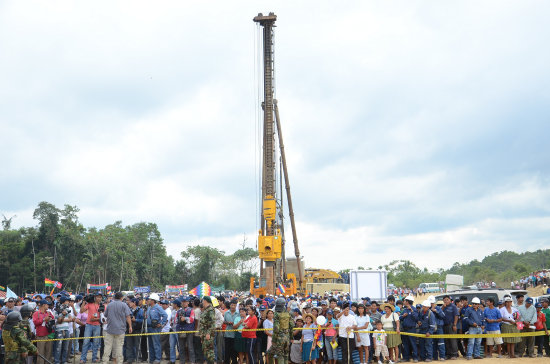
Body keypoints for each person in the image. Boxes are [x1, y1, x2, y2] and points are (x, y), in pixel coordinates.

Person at [102, 292, 132, 364]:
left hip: (110, 329)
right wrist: (130, 326)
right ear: (121, 297)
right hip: (120, 330)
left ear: (114, 297)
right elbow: (128, 316)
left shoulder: (109, 305)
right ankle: (119, 362)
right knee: (119, 348)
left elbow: (105, 315)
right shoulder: (124, 305)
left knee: (107, 347)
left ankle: (105, 362)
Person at [268, 297, 294, 364]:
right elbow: (291, 326)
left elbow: (276, 328)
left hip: (279, 338)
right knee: (285, 355)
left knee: (273, 354)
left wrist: (274, 340)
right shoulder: (288, 314)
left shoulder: (276, 314)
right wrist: (291, 337)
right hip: (287, 337)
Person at [79, 293, 103, 363]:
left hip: (97, 325)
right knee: (86, 342)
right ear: (95, 297)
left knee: (96, 342)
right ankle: (83, 359)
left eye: (100, 297)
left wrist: (97, 319)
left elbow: (103, 317)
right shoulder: (89, 304)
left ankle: (94, 358)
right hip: (89, 325)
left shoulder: (101, 305)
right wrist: (84, 301)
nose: (99, 299)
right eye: (98, 297)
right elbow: (81, 311)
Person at [146, 293, 168, 364]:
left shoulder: (158, 307)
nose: (148, 300)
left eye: (149, 299)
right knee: (150, 344)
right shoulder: (149, 308)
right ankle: (152, 358)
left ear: (153, 300)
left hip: (155, 328)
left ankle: (158, 359)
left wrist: (161, 323)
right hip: (149, 327)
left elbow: (165, 315)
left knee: (156, 344)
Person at [33, 299, 54, 364]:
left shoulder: (49, 312)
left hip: (49, 334)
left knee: (48, 352)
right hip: (40, 336)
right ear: (44, 305)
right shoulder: (36, 313)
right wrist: (44, 319)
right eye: (47, 304)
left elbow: (53, 320)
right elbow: (35, 323)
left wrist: (50, 320)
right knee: (40, 353)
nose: (48, 306)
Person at [399, 295, 419, 363]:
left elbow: (416, 318)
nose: (404, 302)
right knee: (405, 344)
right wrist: (402, 316)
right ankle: (406, 357)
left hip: (412, 329)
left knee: (413, 344)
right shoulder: (405, 310)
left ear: (407, 302)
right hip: (405, 329)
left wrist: (412, 311)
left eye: (405, 301)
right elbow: (399, 318)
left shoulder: (414, 309)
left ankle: (415, 357)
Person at [125, 298, 143, 364]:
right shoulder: (128, 310)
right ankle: (129, 359)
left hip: (137, 329)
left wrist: (136, 320)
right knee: (129, 345)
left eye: (130, 302)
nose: (129, 303)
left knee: (137, 344)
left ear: (134, 303)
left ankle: (138, 358)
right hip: (129, 329)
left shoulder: (140, 310)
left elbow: (143, 320)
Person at [199, 296, 217, 364]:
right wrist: (202, 334)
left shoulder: (210, 310)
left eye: (203, 300)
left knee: (209, 352)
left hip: (208, 334)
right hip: (204, 333)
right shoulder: (206, 309)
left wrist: (208, 333)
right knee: (206, 351)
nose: (202, 302)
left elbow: (212, 323)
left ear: (205, 301)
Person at [223, 300, 239, 364]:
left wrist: (234, 324)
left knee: (234, 350)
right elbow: (224, 321)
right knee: (227, 350)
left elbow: (239, 323)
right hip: (227, 334)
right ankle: (227, 362)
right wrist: (228, 323)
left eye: (234, 305)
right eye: (232, 305)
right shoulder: (226, 313)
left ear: (236, 306)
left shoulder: (238, 313)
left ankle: (234, 362)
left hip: (235, 334)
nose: (233, 306)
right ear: (230, 305)